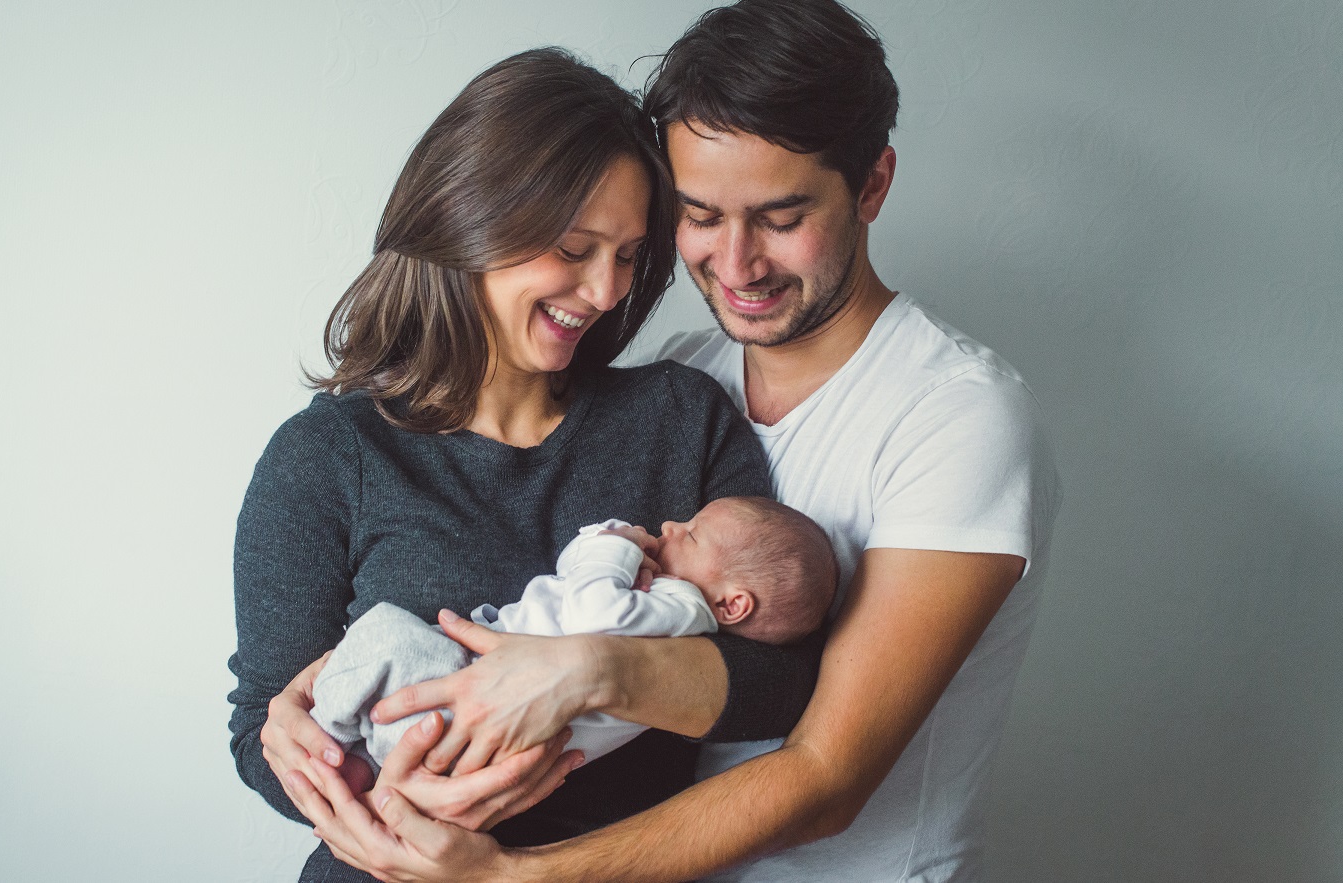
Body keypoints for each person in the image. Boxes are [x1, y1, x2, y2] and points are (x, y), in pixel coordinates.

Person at [275, 1, 1061, 881]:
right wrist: (305, 730)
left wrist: (513, 862)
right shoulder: (685, 377)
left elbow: (823, 771)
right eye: (699, 215)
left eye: (780, 216)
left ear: (871, 185)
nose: (736, 263)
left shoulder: (956, 415)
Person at [225, 46, 826, 883]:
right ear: (467, 219)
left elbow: (780, 680)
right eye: (575, 248)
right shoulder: (326, 456)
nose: (606, 291)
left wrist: (588, 673)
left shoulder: (678, 418)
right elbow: (260, 726)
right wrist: (365, 785)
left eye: (627, 255)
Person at [310, 498, 838, 769]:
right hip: (463, 719)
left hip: (469, 700)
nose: (671, 527)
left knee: (385, 629)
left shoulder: (684, 610)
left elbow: (590, 615)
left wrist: (616, 548)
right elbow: (572, 572)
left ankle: (328, 734)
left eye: (693, 534)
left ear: (732, 604)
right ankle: (348, 757)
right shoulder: (661, 602)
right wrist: (609, 543)